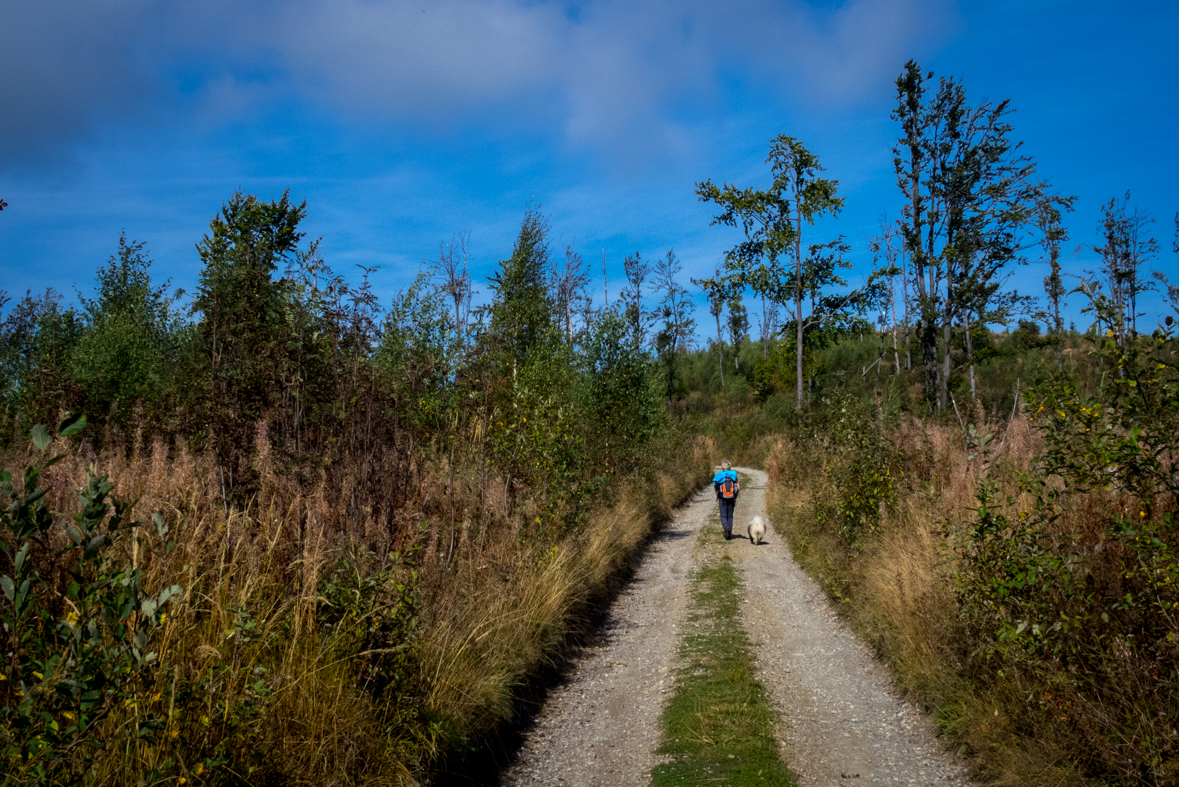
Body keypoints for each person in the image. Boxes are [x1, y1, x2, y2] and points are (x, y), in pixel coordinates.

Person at [712, 460, 739, 540]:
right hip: (732, 497)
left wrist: (717, 495)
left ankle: (726, 526)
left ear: (722, 467)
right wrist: (735, 495)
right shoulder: (733, 475)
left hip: (722, 498)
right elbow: (738, 487)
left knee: (723, 515)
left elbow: (715, 486)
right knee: (730, 516)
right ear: (729, 467)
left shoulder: (719, 475)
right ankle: (729, 532)